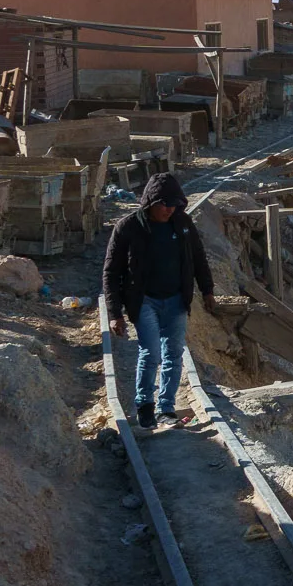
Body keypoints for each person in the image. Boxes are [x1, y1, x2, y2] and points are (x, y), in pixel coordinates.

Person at [104, 173, 216, 429]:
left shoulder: (183, 223)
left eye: (174, 204)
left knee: (174, 354)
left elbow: (198, 258)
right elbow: (111, 271)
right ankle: (145, 405)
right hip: (144, 300)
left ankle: (166, 408)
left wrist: (207, 290)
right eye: (164, 204)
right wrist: (115, 312)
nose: (169, 209)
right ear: (150, 202)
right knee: (150, 352)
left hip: (176, 299)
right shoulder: (128, 227)